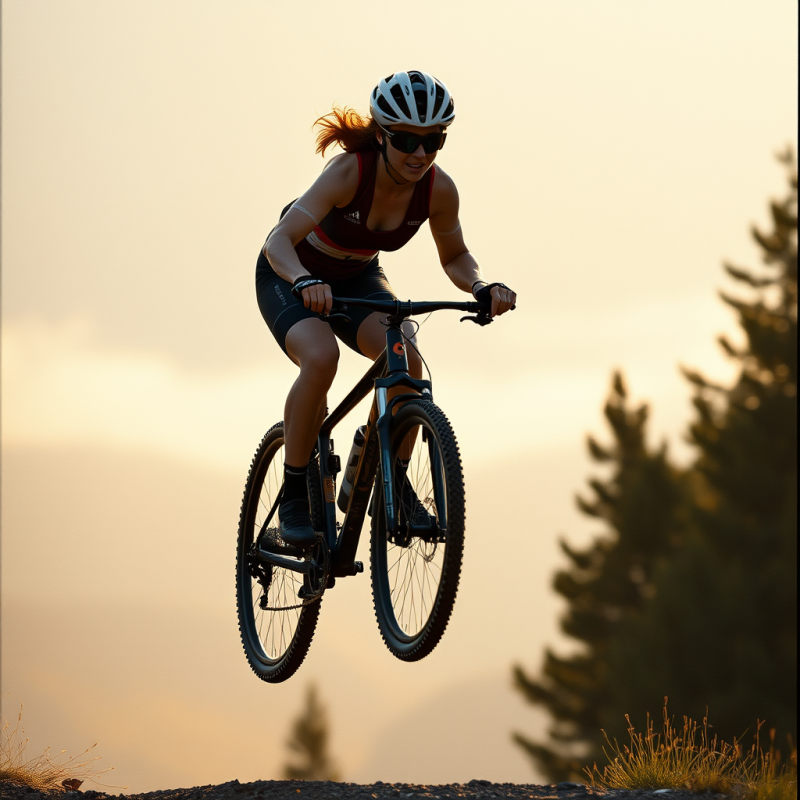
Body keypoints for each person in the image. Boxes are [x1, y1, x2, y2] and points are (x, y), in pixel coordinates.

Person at [256, 70, 516, 546]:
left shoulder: (439, 190)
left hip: (358, 276)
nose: (420, 153)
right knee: (321, 357)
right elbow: (279, 242)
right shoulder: (348, 173)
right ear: (381, 135)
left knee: (406, 358)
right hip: (291, 274)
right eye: (406, 140)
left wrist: (481, 285)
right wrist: (304, 280)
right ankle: (294, 492)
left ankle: (390, 480)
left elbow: (455, 255)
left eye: (433, 140)